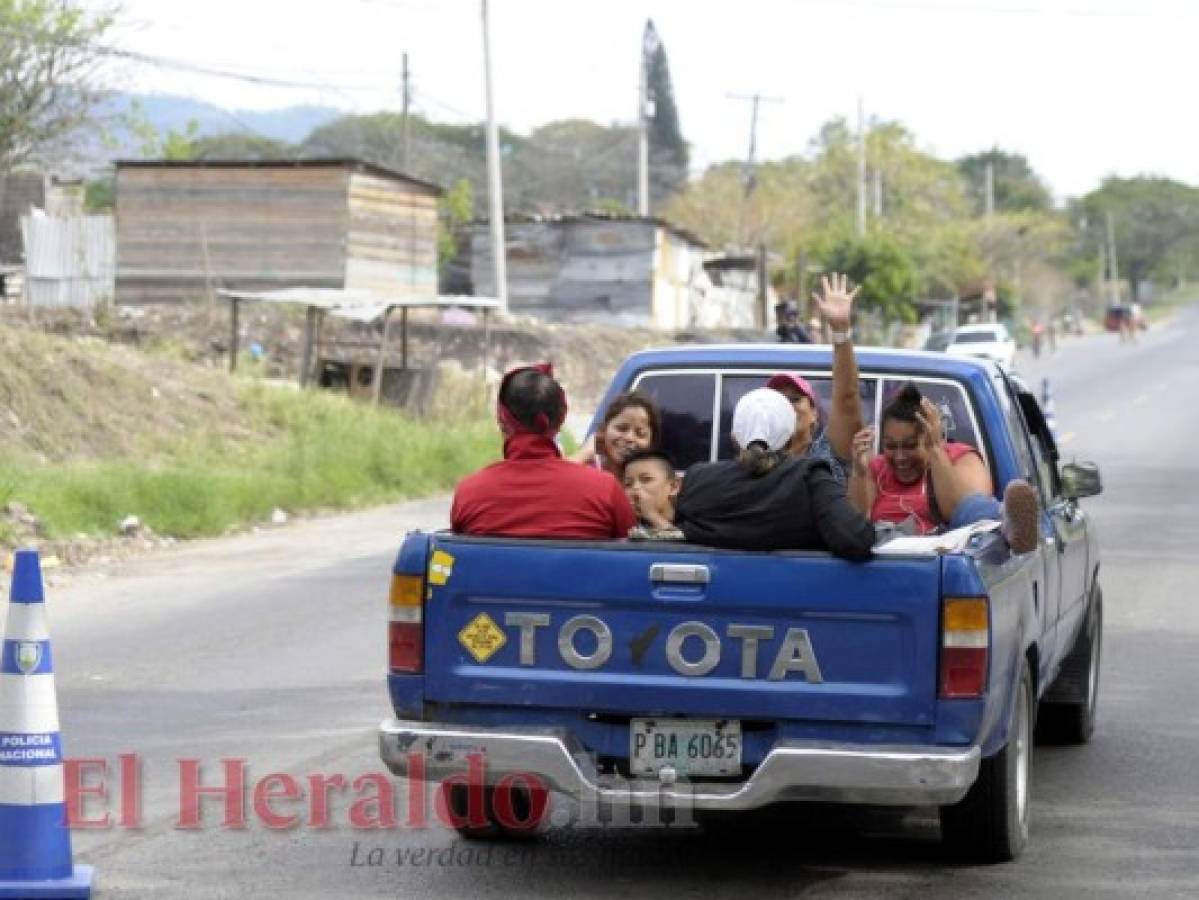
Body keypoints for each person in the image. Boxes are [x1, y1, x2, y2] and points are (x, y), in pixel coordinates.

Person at [673, 388, 876, 560]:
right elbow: (856, 540)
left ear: (735, 438)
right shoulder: (810, 476)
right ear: (789, 436)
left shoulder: (696, 479)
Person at [451, 363, 637, 539]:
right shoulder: (605, 490)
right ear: (561, 418)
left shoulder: (469, 493)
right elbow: (631, 557)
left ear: (502, 422)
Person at [847, 382, 1038, 552]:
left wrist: (936, 450)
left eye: (910, 445)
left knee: (972, 507)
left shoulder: (960, 457)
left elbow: (962, 512)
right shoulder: (876, 467)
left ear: (930, 436)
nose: (899, 457)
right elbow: (855, 526)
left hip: (943, 558)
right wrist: (859, 471)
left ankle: (1008, 523)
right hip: (888, 557)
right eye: (890, 446)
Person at [765, 272, 866, 483]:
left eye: (794, 399)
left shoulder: (826, 453)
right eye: (778, 401)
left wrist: (840, 331)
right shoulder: (756, 462)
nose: (787, 406)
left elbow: (847, 396)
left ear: (814, 414)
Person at [571, 391, 660, 482]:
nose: (629, 438)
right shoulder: (586, 471)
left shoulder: (654, 483)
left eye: (640, 434)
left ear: (651, 443)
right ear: (604, 430)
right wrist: (585, 453)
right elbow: (558, 478)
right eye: (622, 428)